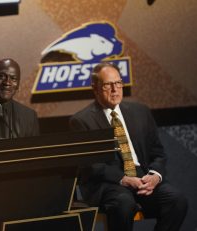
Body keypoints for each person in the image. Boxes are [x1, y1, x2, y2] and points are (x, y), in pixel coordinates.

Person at [69, 62, 188, 231]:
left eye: (118, 83)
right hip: (109, 183)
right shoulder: (81, 121)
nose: (115, 89)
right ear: (95, 88)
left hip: (143, 178)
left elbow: (158, 153)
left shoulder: (140, 111)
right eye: (108, 85)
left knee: (176, 200)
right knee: (124, 203)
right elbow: (90, 166)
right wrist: (124, 179)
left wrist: (154, 176)